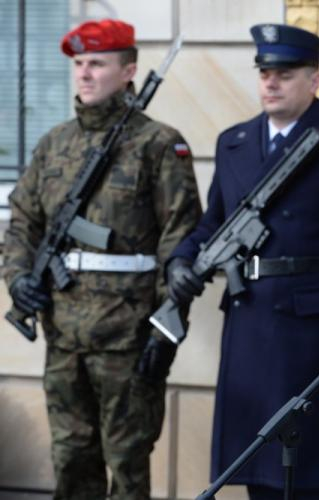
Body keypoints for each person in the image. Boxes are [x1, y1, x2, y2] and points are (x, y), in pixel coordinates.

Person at [167, 24, 319, 500]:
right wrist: (182, 261)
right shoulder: (235, 142)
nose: (270, 82)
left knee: (307, 479)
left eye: (284, 74)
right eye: (265, 72)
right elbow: (213, 223)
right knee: (257, 476)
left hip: (310, 336)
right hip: (248, 327)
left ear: (314, 81)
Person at [3, 19, 202, 499]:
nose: (84, 74)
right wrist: (18, 278)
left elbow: (181, 241)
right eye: (79, 64)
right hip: (64, 336)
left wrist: (166, 332)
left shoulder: (158, 144)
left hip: (128, 338)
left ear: (128, 70)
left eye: (97, 63)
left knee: (127, 468)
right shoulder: (54, 145)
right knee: (72, 463)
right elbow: (23, 224)